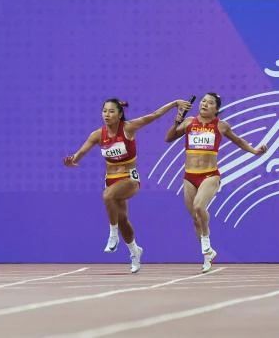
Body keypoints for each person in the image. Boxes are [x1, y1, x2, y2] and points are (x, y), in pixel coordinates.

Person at [63, 98, 192, 273]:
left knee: (107, 195)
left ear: (119, 114)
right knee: (123, 220)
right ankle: (135, 251)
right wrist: (72, 160)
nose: (107, 115)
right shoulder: (97, 135)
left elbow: (154, 115)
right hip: (111, 179)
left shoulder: (128, 128)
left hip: (129, 178)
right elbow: (81, 152)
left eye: (111, 111)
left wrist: (174, 103)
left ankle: (113, 235)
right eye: (104, 111)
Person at [164, 93, 268, 273]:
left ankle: (206, 242)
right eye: (203, 101)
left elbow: (238, 140)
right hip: (189, 176)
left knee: (199, 207)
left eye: (210, 103)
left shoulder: (221, 125)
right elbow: (169, 138)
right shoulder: (188, 122)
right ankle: (208, 255)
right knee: (196, 219)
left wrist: (254, 151)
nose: (204, 104)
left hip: (210, 175)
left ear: (216, 109)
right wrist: (176, 122)